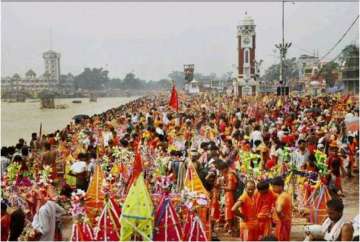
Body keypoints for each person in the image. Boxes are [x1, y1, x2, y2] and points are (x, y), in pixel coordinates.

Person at [271, 177, 292, 241]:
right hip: (285, 222)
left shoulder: (282, 196)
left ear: (280, 186)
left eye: (274, 187)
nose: (273, 188)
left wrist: (281, 217)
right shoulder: (286, 194)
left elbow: (279, 210)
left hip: (282, 223)